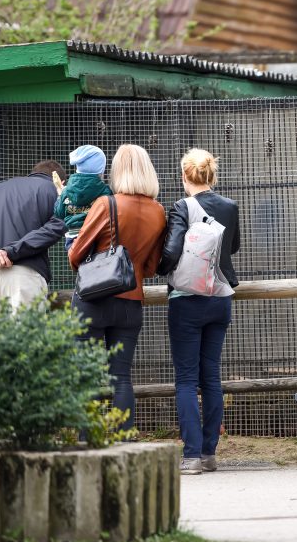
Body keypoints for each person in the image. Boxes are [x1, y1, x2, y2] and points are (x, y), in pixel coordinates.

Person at [69, 144, 166, 432]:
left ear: (117, 171)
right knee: (121, 377)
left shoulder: (106, 204)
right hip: (130, 301)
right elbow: (150, 267)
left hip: (94, 300)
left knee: (86, 375)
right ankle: (124, 441)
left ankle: (89, 443)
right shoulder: (158, 211)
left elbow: (76, 256)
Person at [158, 149, 241, 475]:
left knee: (186, 380)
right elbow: (232, 247)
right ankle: (208, 454)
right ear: (211, 175)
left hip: (187, 299)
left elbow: (173, 249)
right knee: (211, 377)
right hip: (220, 297)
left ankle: (191, 456)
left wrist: (161, 267)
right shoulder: (230, 207)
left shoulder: (182, 207)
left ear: (184, 176)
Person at [0, 161, 68, 330]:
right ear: (62, 182)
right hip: (23, 274)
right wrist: (7, 253)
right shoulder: (55, 191)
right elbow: (57, 226)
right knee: (24, 349)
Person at [53, 145, 112, 250]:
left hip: (73, 242)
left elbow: (59, 213)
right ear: (100, 170)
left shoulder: (66, 191)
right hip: (96, 237)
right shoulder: (105, 191)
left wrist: (59, 195)